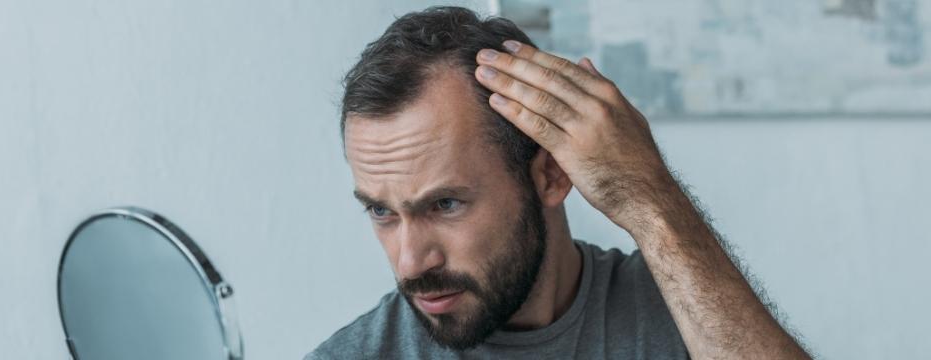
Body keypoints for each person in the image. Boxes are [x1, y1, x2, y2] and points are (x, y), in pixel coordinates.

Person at [308, 6, 809, 359]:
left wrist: (649, 196)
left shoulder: (685, 310)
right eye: (382, 212)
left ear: (550, 174)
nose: (410, 261)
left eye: (445, 204)